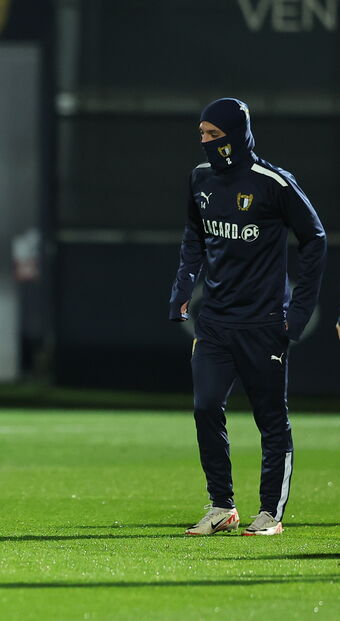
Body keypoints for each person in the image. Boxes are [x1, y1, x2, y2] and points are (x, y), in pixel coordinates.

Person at [169, 98, 327, 537]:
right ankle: (221, 506)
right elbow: (194, 236)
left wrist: (298, 313)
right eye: (201, 134)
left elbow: (314, 239)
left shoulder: (272, 182)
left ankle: (270, 514)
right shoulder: (200, 179)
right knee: (204, 408)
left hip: (262, 324)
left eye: (212, 135)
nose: (204, 143)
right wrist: (182, 289)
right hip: (215, 322)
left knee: (270, 419)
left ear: (236, 136)